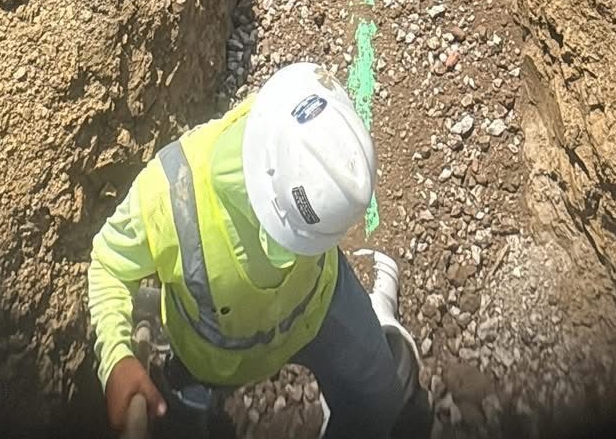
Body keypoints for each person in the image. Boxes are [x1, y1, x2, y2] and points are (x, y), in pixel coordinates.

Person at [88, 64, 408, 437]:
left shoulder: (304, 135)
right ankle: (185, 396)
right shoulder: (169, 197)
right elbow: (109, 266)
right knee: (186, 411)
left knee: (379, 400)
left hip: (319, 305)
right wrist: (116, 358)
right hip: (215, 363)